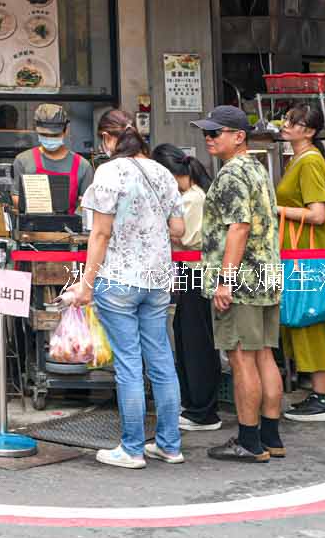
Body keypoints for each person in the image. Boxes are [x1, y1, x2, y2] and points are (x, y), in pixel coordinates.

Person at [62, 110, 187, 468]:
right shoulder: (162, 172)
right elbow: (177, 229)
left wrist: (85, 284)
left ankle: (132, 448)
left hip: (118, 279)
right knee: (162, 360)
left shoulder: (108, 172)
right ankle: (169, 445)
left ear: (107, 138)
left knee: (129, 365)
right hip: (159, 279)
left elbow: (99, 233)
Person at [194, 104, 283, 463]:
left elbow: (239, 227)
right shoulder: (257, 169)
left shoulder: (231, 175)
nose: (208, 139)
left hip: (240, 279)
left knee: (241, 357)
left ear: (238, 136)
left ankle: (249, 440)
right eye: (206, 133)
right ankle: (270, 437)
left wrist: (224, 281)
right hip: (265, 275)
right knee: (264, 354)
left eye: (215, 133)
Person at [275, 104, 325, 423]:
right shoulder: (300, 158)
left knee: (312, 317)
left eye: (293, 122)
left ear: (308, 131)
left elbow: (317, 215)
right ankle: (319, 394)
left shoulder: (308, 161)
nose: (285, 124)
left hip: (311, 256)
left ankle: (324, 396)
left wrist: (275, 209)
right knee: (308, 317)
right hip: (307, 254)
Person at [154, 142, 222, 432]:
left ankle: (203, 411)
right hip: (192, 274)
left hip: (198, 274)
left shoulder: (192, 199)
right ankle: (195, 405)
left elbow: (187, 239)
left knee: (197, 342)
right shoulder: (191, 195)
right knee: (186, 337)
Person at [10, 103, 88, 223]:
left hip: (70, 234)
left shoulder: (83, 166)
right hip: (32, 232)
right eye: (44, 135)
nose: (49, 139)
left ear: (66, 130)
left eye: (55, 135)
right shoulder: (23, 160)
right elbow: (16, 196)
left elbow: (88, 205)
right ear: (36, 129)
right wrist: (37, 208)